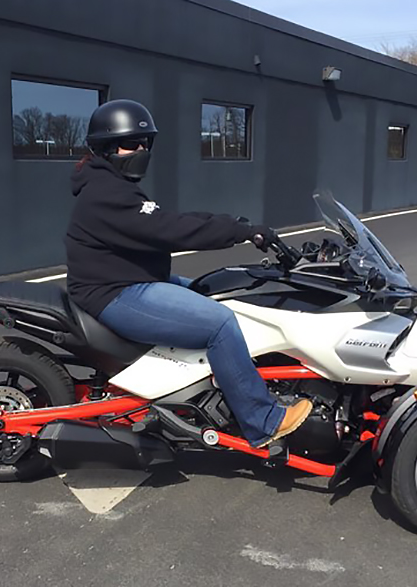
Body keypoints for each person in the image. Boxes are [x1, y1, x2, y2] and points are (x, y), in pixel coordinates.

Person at [64, 99, 311, 448]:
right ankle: (263, 419)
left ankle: (220, 387)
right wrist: (239, 233)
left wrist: (233, 223)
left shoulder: (114, 185)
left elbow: (168, 219)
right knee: (220, 323)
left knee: (218, 290)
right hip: (116, 292)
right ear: (106, 148)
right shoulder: (106, 193)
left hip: (136, 278)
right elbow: (172, 231)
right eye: (130, 143)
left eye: (145, 143)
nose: (140, 150)